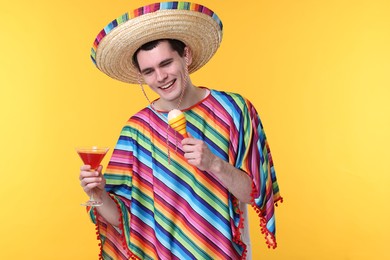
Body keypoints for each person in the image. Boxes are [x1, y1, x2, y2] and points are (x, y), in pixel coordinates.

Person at [79, 2, 282, 259]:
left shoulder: (234, 110)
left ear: (185, 55)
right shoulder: (137, 130)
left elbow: (254, 193)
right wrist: (97, 194)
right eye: (149, 71)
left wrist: (214, 164)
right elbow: (122, 221)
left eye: (166, 63)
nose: (161, 77)